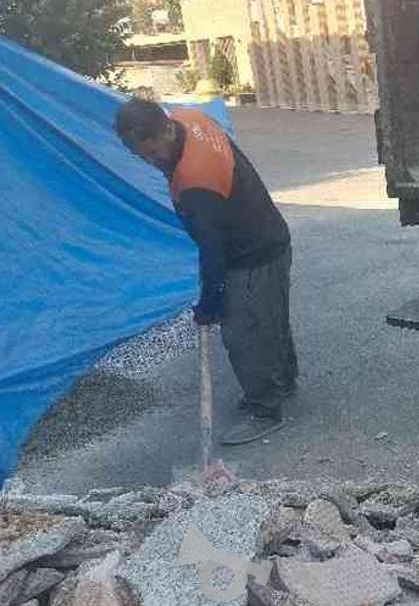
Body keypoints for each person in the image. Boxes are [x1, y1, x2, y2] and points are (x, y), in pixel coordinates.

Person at [114, 99, 297, 446]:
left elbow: (213, 251)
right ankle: (283, 383)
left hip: (251, 253)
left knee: (245, 335)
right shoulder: (190, 118)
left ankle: (265, 409)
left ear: (166, 129)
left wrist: (209, 304)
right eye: (143, 156)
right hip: (271, 234)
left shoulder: (196, 181)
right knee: (270, 319)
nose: (153, 162)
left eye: (153, 152)